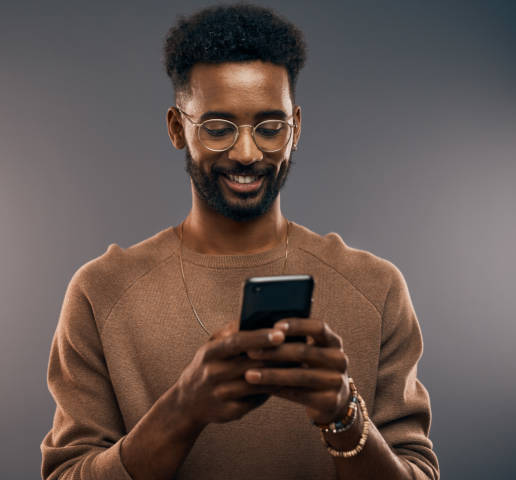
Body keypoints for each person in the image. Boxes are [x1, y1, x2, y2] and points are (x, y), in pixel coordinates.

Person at [40, 4, 439, 479]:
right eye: (218, 128)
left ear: (296, 129)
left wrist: (344, 416)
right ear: (176, 128)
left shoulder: (375, 288)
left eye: (270, 128)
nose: (247, 153)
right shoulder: (100, 292)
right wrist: (183, 410)